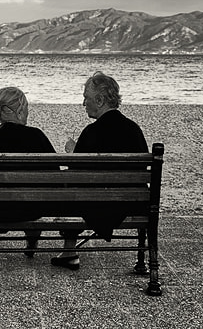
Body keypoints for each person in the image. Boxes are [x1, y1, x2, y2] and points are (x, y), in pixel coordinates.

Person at [53, 71, 149, 271]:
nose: (83, 103)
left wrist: (73, 151)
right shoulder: (134, 130)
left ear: (99, 99)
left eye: (86, 98)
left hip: (97, 204)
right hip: (131, 203)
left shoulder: (92, 132)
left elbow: (76, 171)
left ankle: (69, 251)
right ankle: (143, 259)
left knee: (67, 186)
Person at [0, 86, 57, 256]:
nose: (27, 112)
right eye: (25, 107)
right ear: (16, 110)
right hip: (31, 210)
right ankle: (32, 240)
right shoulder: (36, 136)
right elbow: (54, 173)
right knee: (35, 193)